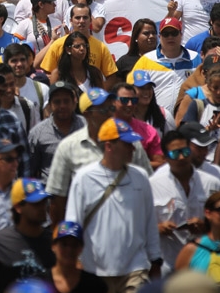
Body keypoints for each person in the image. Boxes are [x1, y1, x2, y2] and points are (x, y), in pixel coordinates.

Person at [65, 118, 161, 293]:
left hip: (135, 268)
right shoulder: (84, 178)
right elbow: (73, 223)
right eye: (127, 144)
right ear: (109, 146)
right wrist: (73, 261)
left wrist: (155, 260)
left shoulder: (141, 177)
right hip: (95, 271)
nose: (133, 149)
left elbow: (150, 222)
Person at [45, 88, 152, 225]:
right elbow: (58, 199)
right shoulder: (68, 147)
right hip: (87, 229)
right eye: (103, 110)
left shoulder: (131, 143)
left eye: (111, 108)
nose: (109, 114)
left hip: (128, 226)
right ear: (87, 114)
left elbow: (149, 185)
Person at [149, 130, 220, 277]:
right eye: (175, 154)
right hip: (168, 265)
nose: (182, 157)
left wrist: (206, 226)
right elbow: (141, 225)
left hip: (206, 264)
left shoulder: (213, 184)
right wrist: (158, 228)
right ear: (165, 157)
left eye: (185, 151)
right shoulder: (153, 185)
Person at [0, 178, 56, 293]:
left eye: (44, 202)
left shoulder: (54, 242)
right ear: (18, 207)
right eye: (36, 203)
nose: (42, 207)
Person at [28, 81, 85, 180]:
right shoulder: (37, 133)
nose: (62, 106)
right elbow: (31, 170)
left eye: (66, 101)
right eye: (57, 102)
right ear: (50, 105)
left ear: (74, 103)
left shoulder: (85, 126)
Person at [50, 221, 108, 293]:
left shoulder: (94, 284)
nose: (69, 250)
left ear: (81, 248)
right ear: (53, 246)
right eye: (64, 244)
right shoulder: (41, 282)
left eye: (74, 245)